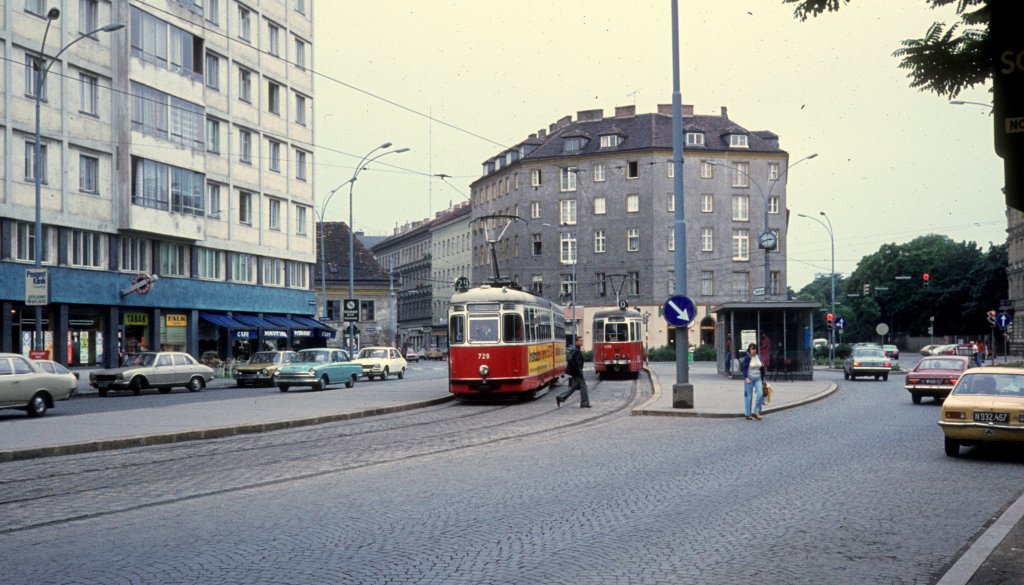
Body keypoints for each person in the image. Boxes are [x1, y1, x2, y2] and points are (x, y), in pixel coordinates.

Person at [556, 336, 591, 408]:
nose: (582, 342)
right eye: (580, 341)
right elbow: (570, 359)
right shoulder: (575, 350)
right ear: (576, 342)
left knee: (573, 387)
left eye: (582, 341)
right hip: (577, 372)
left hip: (576, 372)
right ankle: (584, 403)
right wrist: (577, 368)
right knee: (583, 387)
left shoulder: (576, 349)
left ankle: (560, 397)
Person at [739, 342, 765, 420]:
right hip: (749, 378)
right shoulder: (747, 358)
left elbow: (762, 369)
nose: (754, 350)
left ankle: (756, 411)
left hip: (758, 378)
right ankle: (748, 414)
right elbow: (744, 368)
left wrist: (763, 378)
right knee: (749, 396)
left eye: (755, 349)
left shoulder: (759, 357)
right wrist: (746, 377)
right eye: (752, 349)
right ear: (749, 350)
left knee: (760, 393)